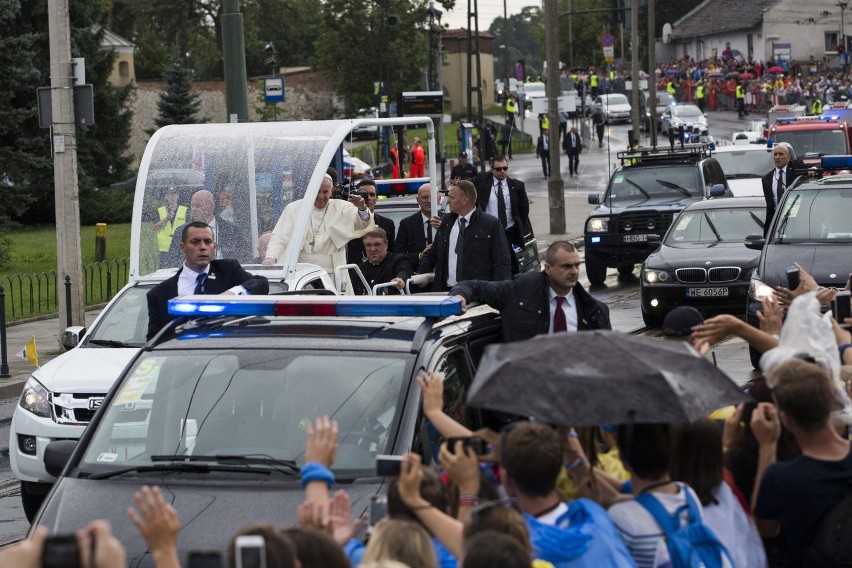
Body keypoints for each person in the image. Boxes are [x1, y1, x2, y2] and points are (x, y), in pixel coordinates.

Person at [752, 358, 852, 566]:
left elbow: (762, 531)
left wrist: (767, 446)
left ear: (786, 419)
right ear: (832, 398)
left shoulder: (780, 478)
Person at [450, 241, 611, 342]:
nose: (574, 271)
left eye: (577, 265)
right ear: (548, 268)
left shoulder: (595, 311)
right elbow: (475, 286)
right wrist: (458, 296)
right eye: (566, 266)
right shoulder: (519, 291)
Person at [147, 221, 269, 340]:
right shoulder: (159, 294)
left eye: (208, 242)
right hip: (182, 356)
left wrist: (230, 295)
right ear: (182, 247)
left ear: (214, 247)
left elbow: (261, 284)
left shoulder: (228, 271)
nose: (203, 247)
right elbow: (154, 342)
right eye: (195, 242)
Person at [262, 172, 374, 279]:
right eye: (317, 191)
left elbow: (362, 223)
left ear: (332, 191)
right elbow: (280, 237)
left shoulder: (342, 207)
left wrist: (362, 208)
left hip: (333, 274)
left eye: (325, 192)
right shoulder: (294, 208)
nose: (321, 196)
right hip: (301, 273)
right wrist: (271, 257)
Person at [417, 180, 511, 292]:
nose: (447, 201)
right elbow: (434, 252)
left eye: (452, 198)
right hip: (447, 291)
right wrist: (421, 273)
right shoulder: (446, 222)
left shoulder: (491, 225)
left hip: (477, 294)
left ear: (464, 200)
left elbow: (501, 263)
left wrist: (498, 293)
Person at [472, 156, 531, 273]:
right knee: (487, 262)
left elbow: (524, 210)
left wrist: (516, 226)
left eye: (505, 168)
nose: (502, 171)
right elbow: (467, 186)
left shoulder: (517, 186)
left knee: (507, 262)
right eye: (499, 169)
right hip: (487, 231)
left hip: (508, 231)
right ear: (492, 169)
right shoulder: (482, 181)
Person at [167, 189, 250, 264]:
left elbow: (244, 257)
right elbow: (171, 261)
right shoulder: (182, 231)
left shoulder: (232, 230)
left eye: (198, 206)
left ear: (211, 206)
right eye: (192, 206)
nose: (194, 210)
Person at [350, 228, 412, 296]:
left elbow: (404, 271)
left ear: (386, 244)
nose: (373, 249)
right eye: (368, 245)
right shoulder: (358, 270)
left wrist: (400, 280)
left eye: (377, 244)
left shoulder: (398, 260)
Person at [347, 178, 396, 263]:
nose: (368, 198)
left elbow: (392, 254)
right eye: (364, 194)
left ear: (376, 199)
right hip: (354, 272)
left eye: (372, 194)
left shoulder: (388, 224)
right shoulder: (347, 223)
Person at [396, 183, 443, 268]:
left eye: (432, 197)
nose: (429, 201)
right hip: (417, 274)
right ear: (418, 200)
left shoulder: (449, 221)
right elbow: (399, 255)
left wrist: (445, 229)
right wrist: (420, 255)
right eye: (424, 197)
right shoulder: (407, 224)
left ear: (439, 199)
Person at [761, 142, 797, 237]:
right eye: (775, 154)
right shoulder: (766, 179)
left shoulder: (795, 174)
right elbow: (769, 206)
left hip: (795, 222)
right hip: (776, 223)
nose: (777, 157)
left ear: (788, 158)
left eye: (781, 154)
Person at [155, 185, 187, 266]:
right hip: (164, 249)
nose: (172, 197)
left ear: (178, 196)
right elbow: (154, 227)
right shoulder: (160, 210)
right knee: (164, 270)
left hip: (180, 247)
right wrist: (166, 219)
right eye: (169, 194)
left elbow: (189, 226)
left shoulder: (185, 210)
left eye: (174, 194)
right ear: (166, 196)